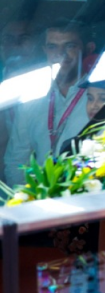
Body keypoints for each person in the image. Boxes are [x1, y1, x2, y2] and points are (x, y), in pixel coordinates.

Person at [3, 21, 95, 185]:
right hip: (41, 196)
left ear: (88, 49)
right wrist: (24, 197)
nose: (60, 54)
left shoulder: (100, 94)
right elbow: (17, 159)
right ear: (44, 50)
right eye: (52, 47)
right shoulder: (32, 94)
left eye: (70, 46)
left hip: (88, 191)